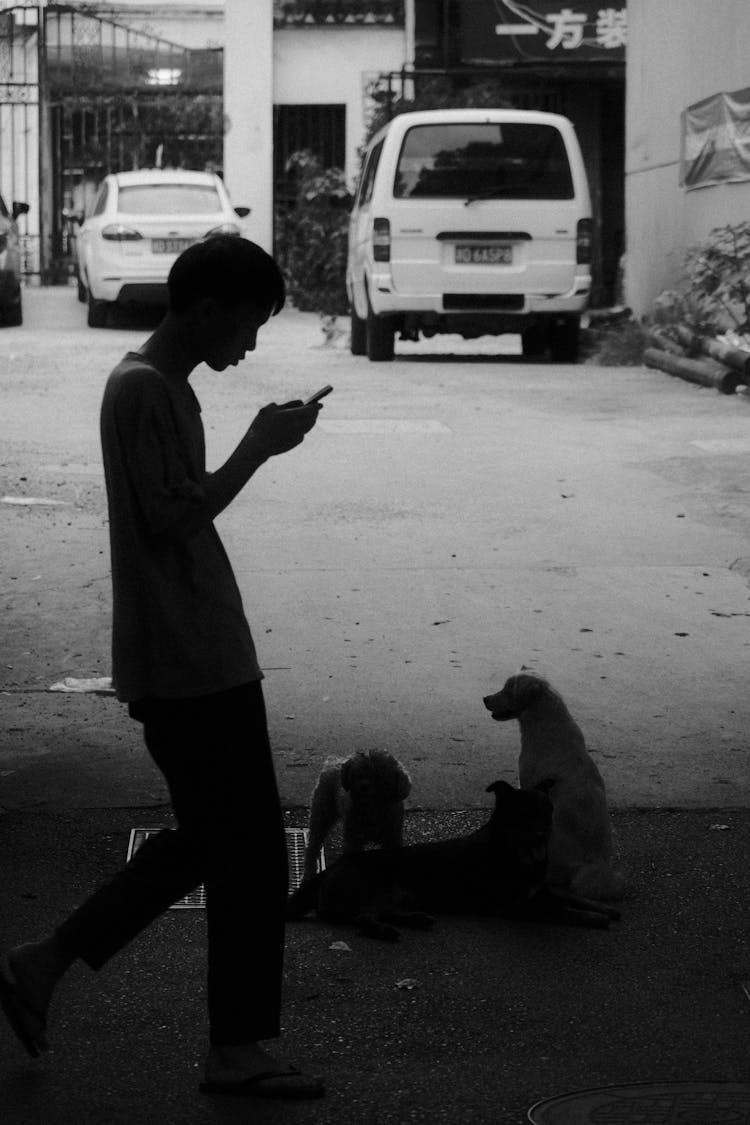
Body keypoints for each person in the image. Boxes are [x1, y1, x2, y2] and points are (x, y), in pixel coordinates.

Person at [0, 235, 326, 1100]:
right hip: (188, 661)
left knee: (215, 841)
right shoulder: (146, 389)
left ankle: (46, 960)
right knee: (248, 852)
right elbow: (172, 522)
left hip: (198, 650)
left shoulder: (160, 386)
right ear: (207, 307)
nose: (249, 345)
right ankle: (236, 1045)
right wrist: (259, 446)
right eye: (249, 325)